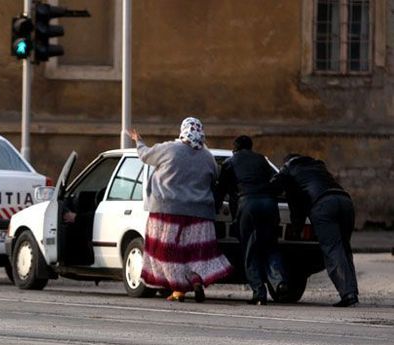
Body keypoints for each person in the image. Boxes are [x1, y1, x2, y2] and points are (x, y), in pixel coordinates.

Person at [129, 117, 233, 302]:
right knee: (195, 252)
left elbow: (145, 155)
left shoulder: (169, 148)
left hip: (167, 211)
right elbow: (214, 177)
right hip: (201, 214)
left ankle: (178, 289)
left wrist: (138, 140)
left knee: (167, 252)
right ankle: (195, 279)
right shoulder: (207, 157)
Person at [271, 153, 359, 307]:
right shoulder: (317, 165)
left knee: (332, 249)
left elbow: (289, 199)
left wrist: (296, 229)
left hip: (323, 205)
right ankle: (352, 292)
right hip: (345, 201)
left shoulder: (288, 169)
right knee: (344, 249)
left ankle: (348, 294)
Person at [215, 135, 288, 305]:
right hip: (269, 205)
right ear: (251, 147)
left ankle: (259, 293)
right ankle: (279, 282)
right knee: (271, 246)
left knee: (250, 249)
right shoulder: (262, 160)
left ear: (235, 149)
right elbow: (277, 180)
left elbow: (221, 189)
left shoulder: (230, 163)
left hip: (247, 205)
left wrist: (214, 207)